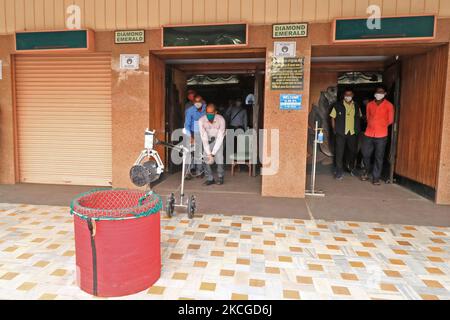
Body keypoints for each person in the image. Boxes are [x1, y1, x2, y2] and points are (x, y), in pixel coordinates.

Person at [361, 85, 395, 185]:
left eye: (381, 92)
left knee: (378, 157)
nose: (379, 94)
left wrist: (380, 125)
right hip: (369, 133)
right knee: (365, 154)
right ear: (375, 93)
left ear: (385, 94)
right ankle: (366, 171)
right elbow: (367, 117)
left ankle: (376, 178)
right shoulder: (370, 105)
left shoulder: (389, 105)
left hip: (381, 135)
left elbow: (390, 120)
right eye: (377, 92)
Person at [330, 88, 362, 180]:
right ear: (344, 96)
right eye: (346, 95)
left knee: (353, 151)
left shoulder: (356, 106)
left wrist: (357, 129)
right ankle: (339, 172)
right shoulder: (337, 105)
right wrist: (334, 130)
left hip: (352, 133)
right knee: (339, 153)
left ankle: (351, 168)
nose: (348, 96)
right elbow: (332, 117)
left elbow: (359, 117)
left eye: (350, 95)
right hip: (340, 132)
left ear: (352, 95)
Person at [199, 103, 226, 186]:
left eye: (211, 113)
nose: (209, 115)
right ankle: (210, 178)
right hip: (208, 140)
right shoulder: (201, 120)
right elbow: (204, 138)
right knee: (205, 158)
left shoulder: (221, 119)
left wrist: (213, 154)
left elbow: (220, 138)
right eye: (207, 113)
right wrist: (209, 154)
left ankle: (220, 177)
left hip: (218, 140)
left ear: (215, 112)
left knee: (219, 158)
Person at [184, 95, 206, 180]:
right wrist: (190, 137)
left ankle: (199, 172)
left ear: (202, 101)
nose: (197, 103)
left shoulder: (205, 110)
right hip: (191, 133)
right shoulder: (190, 110)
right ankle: (187, 173)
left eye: (199, 101)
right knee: (188, 153)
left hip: (201, 134)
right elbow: (187, 125)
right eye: (196, 102)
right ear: (193, 103)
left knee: (199, 154)